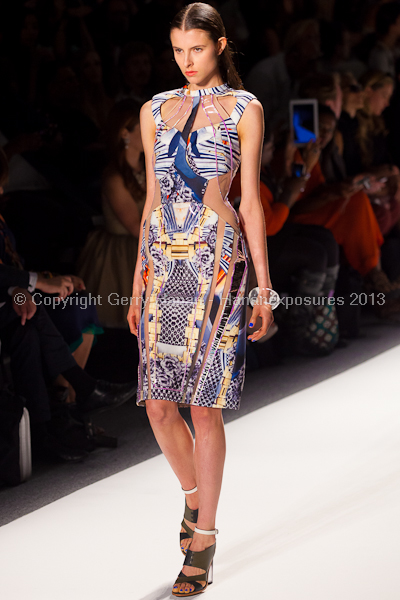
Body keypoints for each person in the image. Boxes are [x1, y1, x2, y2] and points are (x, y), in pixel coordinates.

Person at [127, 3, 273, 596]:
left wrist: (264, 286)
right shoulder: (154, 109)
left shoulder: (245, 109)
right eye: (178, 50)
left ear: (220, 46)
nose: (187, 61)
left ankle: (204, 540)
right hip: (164, 263)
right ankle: (193, 498)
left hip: (218, 264)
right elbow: (151, 201)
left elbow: (254, 203)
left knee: (203, 407)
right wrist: (138, 278)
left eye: (197, 49)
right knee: (159, 405)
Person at [78, 99, 145, 328]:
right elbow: (136, 226)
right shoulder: (114, 177)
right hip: (122, 255)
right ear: (125, 132)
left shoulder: (148, 170)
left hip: (145, 247)